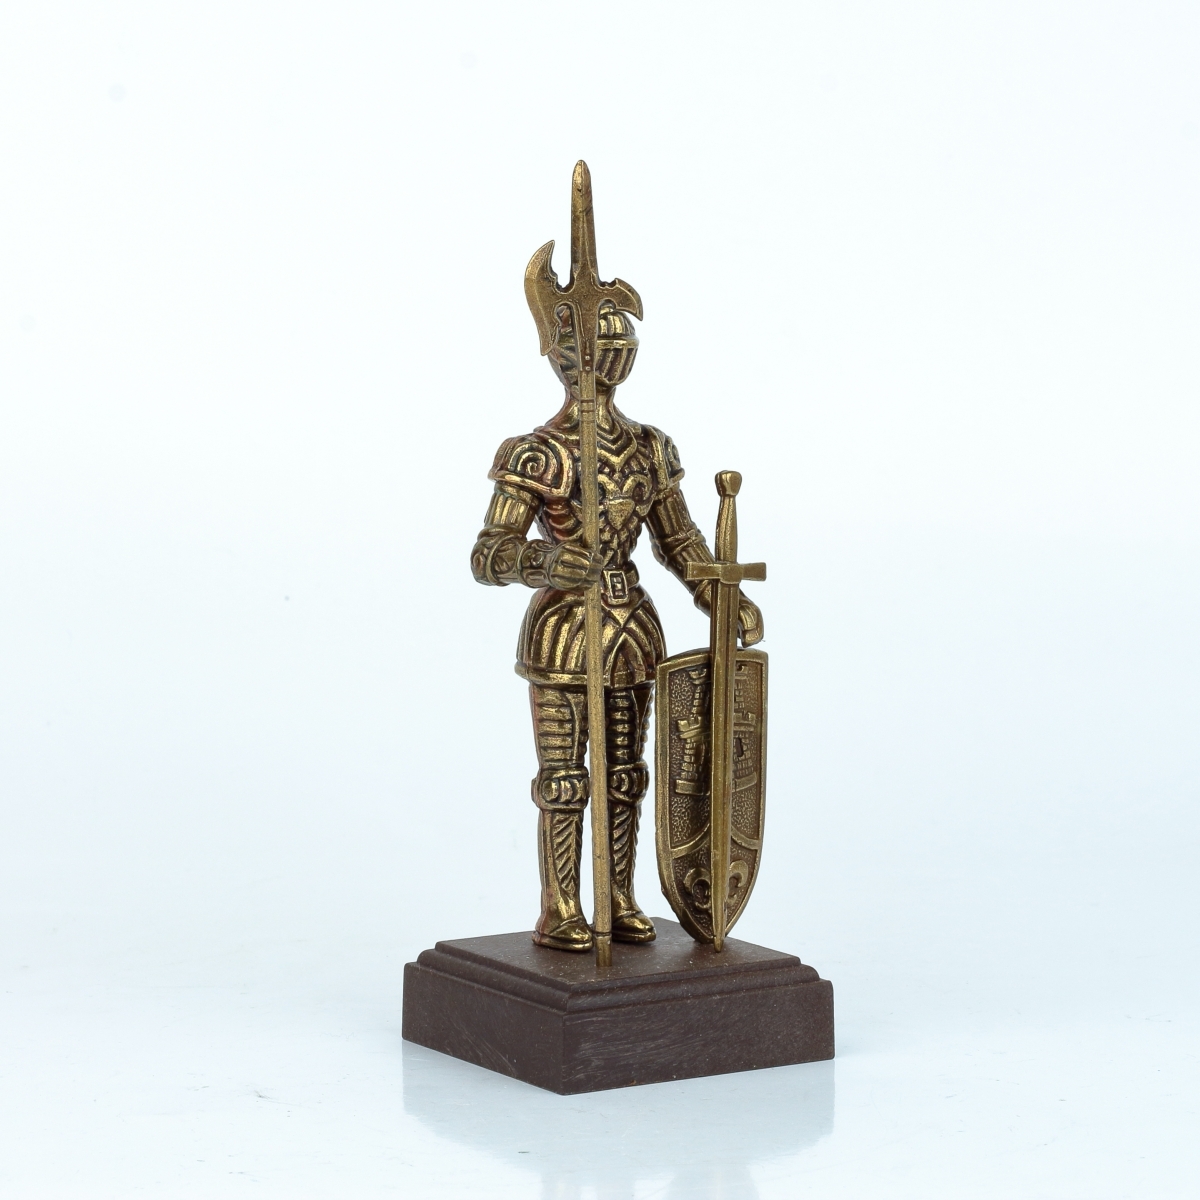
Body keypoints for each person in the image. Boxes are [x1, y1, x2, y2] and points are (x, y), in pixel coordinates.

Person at [471, 301, 763, 951]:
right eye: (594, 341)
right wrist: (548, 560)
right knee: (564, 781)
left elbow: (678, 538)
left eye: (617, 340)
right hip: (565, 629)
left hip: (630, 627)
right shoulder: (536, 453)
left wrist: (721, 594)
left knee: (626, 774)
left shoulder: (649, 448)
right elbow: (490, 552)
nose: (608, 353)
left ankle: (621, 895)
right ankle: (561, 908)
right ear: (562, 354)